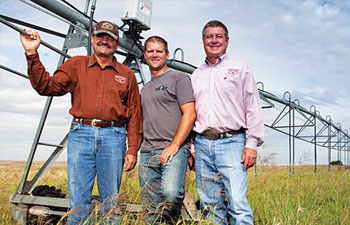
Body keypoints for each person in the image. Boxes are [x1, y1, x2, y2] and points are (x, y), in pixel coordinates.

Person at [20, 21, 142, 224]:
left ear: (116, 43)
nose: (105, 41)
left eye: (110, 38)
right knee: (78, 202)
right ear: (93, 39)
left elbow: (135, 114)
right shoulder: (76, 65)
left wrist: (132, 149)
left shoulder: (126, 74)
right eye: (101, 36)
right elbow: (46, 86)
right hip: (81, 134)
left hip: (114, 137)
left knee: (110, 201)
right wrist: (32, 54)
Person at [191, 20, 264, 225]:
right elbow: (191, 113)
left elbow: (252, 106)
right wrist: (193, 147)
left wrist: (251, 144)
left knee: (237, 203)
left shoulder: (240, 69)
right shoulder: (196, 75)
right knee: (210, 205)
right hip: (203, 144)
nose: (214, 40)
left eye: (218, 36)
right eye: (209, 37)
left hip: (232, 142)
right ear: (203, 41)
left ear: (227, 40)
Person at [138, 36, 196, 224]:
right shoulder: (145, 89)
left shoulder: (179, 79)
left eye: (159, 51)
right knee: (151, 206)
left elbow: (190, 113)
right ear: (145, 55)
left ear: (167, 54)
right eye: (150, 51)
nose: (154, 55)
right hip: (147, 152)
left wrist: (175, 145)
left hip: (173, 149)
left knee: (171, 194)